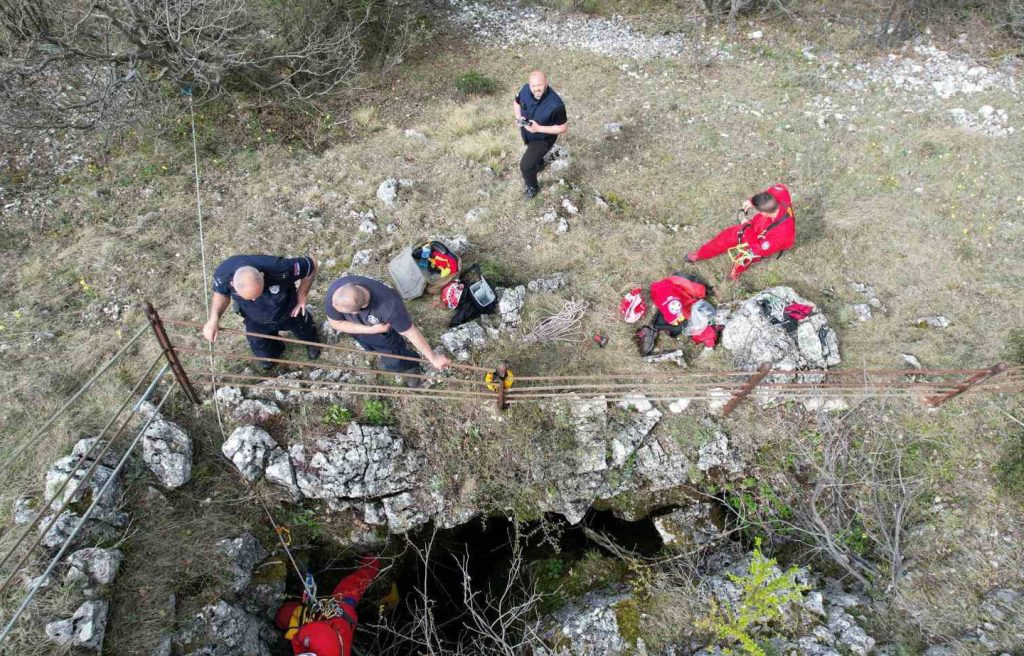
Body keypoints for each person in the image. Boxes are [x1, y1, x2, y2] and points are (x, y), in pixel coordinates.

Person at [324, 275, 450, 386]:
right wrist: (371, 330)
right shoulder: (337, 293)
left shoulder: (389, 306)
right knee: (369, 346)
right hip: (366, 329)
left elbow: (410, 332)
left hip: (383, 331)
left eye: (344, 313)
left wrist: (433, 358)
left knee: (394, 358)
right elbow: (336, 323)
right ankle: (386, 358)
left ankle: (408, 366)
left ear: (359, 310)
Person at [203, 254, 321, 368]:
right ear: (232, 284)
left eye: (257, 294)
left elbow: (312, 265)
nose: (254, 299)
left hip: (288, 311)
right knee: (262, 350)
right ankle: (274, 351)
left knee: (305, 329)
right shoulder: (223, 276)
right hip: (255, 319)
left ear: (262, 275)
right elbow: (221, 294)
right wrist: (213, 320)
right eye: (249, 298)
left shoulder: (280, 267)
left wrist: (302, 295)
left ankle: (311, 343)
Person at [685, 183, 796, 281]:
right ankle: (701, 254)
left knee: (747, 255)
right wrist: (752, 201)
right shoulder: (781, 194)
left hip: (767, 238)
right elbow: (774, 190)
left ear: (764, 213)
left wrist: (745, 225)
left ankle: (736, 271)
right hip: (761, 224)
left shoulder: (783, 234)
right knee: (726, 237)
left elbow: (758, 249)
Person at [275, 555, 380, 656]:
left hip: (331, 625)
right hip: (341, 615)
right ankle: (372, 562)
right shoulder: (324, 645)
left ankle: (279, 621)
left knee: (285, 615)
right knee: (353, 585)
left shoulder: (322, 645)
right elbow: (313, 633)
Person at [513, 70, 568, 199]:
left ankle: (532, 186)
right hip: (527, 132)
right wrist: (519, 118)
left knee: (525, 165)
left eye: (540, 85)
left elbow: (563, 127)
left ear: (546, 84)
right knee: (533, 156)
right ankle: (539, 163)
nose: (536, 89)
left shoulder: (556, 105)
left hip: (543, 138)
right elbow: (516, 102)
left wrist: (538, 128)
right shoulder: (525, 90)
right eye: (533, 86)